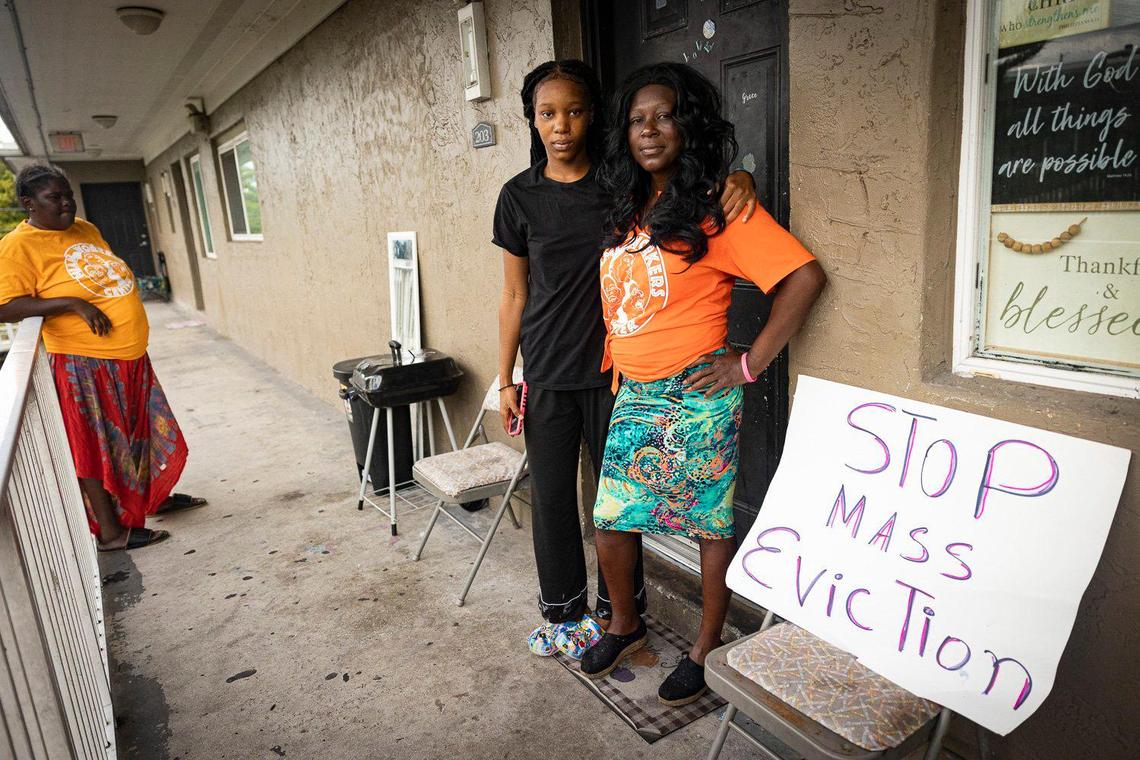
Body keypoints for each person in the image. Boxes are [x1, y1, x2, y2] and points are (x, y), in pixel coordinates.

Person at [494, 60, 759, 660]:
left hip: (615, 375)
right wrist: (507, 375)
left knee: (618, 507)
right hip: (547, 371)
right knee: (556, 500)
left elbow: (690, 189)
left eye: (574, 110)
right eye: (547, 113)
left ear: (594, 116)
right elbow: (514, 293)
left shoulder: (620, 187)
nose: (560, 126)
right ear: (532, 121)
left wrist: (740, 177)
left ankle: (622, 617)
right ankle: (564, 614)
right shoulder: (518, 196)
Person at [580, 63, 826, 705]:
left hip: (697, 394)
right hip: (634, 390)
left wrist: (749, 363)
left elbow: (803, 277)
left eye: (664, 116)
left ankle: (705, 646)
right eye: (637, 119)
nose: (650, 130)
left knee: (708, 526)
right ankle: (626, 623)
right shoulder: (627, 207)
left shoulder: (722, 207)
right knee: (612, 519)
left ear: (688, 125)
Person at [0, 164, 205, 550]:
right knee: (94, 447)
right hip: (85, 362)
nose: (65, 203)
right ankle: (112, 533)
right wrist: (71, 303)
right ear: (29, 203)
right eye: (54, 198)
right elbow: (5, 307)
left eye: (68, 194)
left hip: (127, 356)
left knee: (139, 432)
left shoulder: (84, 228)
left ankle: (150, 498)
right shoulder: (17, 246)